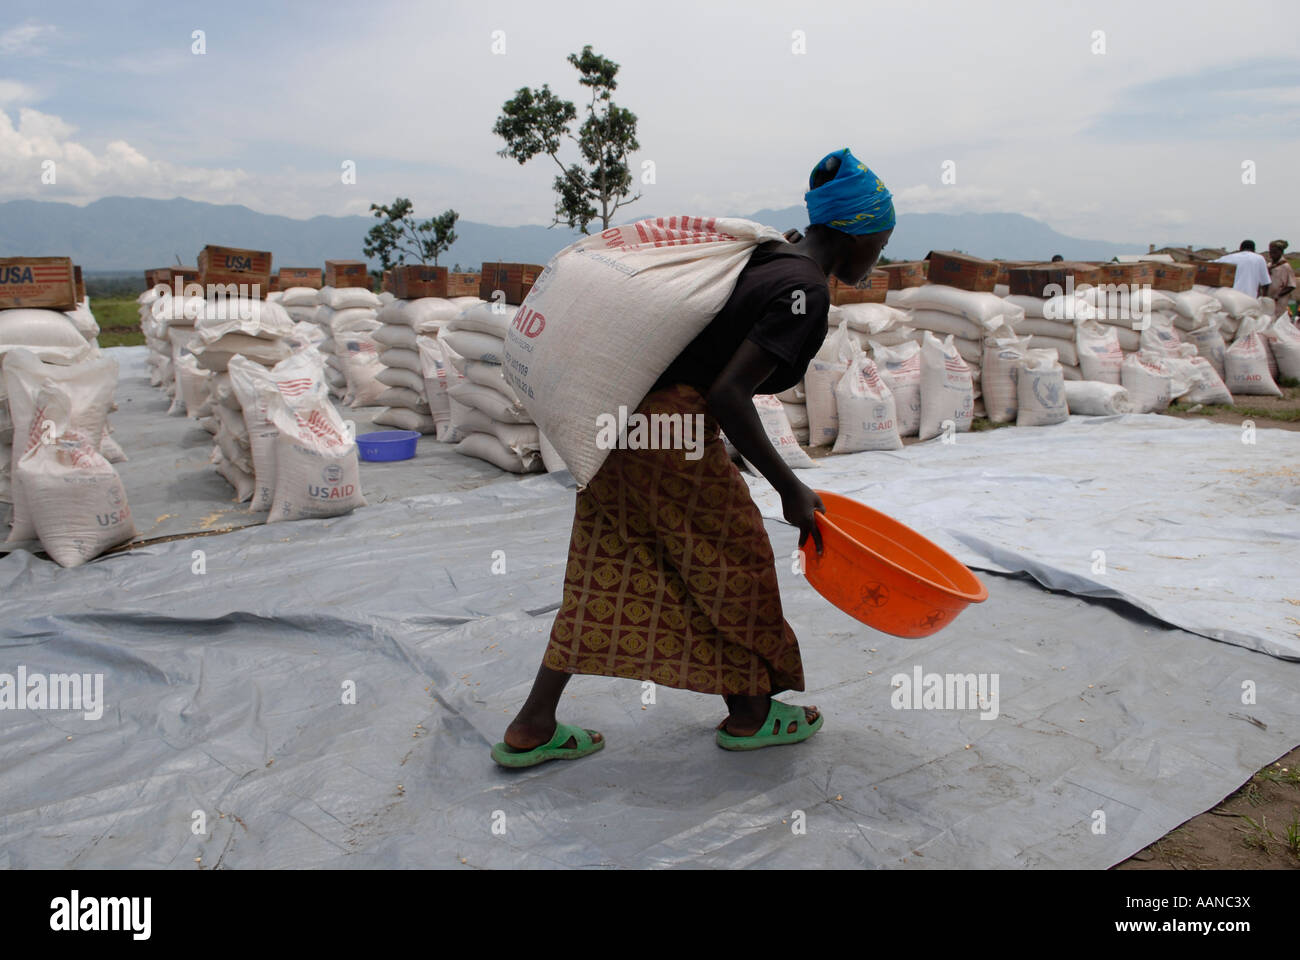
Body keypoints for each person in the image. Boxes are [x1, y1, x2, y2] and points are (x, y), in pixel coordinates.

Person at [492, 148, 895, 767]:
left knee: (612, 563)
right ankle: (753, 715)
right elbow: (730, 395)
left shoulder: (772, 257)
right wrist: (790, 487)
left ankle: (532, 725)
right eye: (880, 242)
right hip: (669, 430)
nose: (881, 258)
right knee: (737, 559)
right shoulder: (805, 289)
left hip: (621, 419)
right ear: (855, 235)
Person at [1266, 240, 1295, 318]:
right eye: (1270, 252)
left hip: (1280, 300)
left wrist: (1278, 296)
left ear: (1281, 252)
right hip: (1269, 298)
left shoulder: (1285, 266)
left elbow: (1291, 285)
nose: (1272, 255)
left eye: (1275, 252)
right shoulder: (1269, 265)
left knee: (1277, 320)